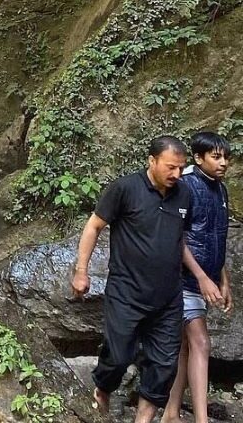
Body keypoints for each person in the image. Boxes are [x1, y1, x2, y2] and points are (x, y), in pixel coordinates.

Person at [71, 135, 208, 422]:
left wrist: (201, 276)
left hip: (169, 298)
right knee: (118, 357)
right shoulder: (125, 189)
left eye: (181, 168)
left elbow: (178, 240)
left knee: (164, 366)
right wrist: (81, 271)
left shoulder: (183, 194)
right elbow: (94, 226)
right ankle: (104, 388)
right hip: (127, 293)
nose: (177, 174)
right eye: (171, 167)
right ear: (152, 161)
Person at [164, 132, 233, 423]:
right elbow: (176, 237)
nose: (223, 163)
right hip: (181, 279)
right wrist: (202, 278)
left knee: (185, 347)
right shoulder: (186, 187)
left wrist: (223, 280)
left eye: (226, 157)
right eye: (216, 157)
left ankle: (170, 413)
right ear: (198, 158)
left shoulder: (221, 189)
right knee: (201, 342)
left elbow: (217, 237)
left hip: (204, 278)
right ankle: (201, 420)